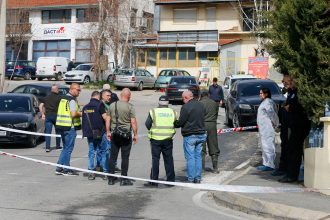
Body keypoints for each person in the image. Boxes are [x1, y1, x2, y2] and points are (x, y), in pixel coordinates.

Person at [279, 78, 311, 183]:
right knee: (293, 150)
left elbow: (300, 107)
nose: (286, 84)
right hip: (293, 125)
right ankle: (292, 174)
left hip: (300, 125)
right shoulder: (291, 92)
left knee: (294, 150)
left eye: (288, 82)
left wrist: (290, 107)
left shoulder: (299, 93)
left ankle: (292, 176)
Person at [106, 88, 138, 186]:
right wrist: (135, 134)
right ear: (129, 96)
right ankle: (124, 179)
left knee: (113, 157)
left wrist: (108, 131)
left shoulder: (112, 105)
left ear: (121, 95)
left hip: (115, 134)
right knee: (125, 157)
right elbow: (133, 122)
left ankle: (111, 178)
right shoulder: (130, 107)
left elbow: (108, 119)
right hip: (126, 135)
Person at [174, 91, 207, 183]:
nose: (182, 100)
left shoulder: (185, 107)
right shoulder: (201, 105)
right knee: (198, 157)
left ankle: (191, 178)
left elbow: (181, 122)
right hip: (201, 134)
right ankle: (198, 178)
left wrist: (174, 123)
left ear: (186, 97)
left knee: (190, 157)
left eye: (182, 98)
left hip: (190, 135)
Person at [144, 96, 177, 187]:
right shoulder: (173, 112)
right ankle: (170, 181)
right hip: (168, 139)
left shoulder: (153, 111)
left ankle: (154, 181)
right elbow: (176, 123)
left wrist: (153, 130)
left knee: (155, 160)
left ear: (159, 103)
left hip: (155, 139)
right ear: (168, 103)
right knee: (169, 159)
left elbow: (147, 124)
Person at [55, 83, 82, 176]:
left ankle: (59, 168)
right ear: (72, 89)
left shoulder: (63, 98)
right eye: (78, 90)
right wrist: (82, 113)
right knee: (68, 149)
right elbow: (73, 114)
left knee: (65, 148)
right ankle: (67, 169)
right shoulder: (71, 100)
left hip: (62, 126)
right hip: (70, 127)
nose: (79, 92)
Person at [82, 91, 107, 180]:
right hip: (100, 133)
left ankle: (91, 172)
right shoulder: (100, 105)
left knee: (91, 152)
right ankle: (105, 172)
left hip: (90, 133)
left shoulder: (85, 107)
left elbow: (84, 122)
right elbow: (105, 118)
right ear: (98, 96)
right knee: (103, 152)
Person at [272, 75, 291, 176]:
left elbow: (292, 108)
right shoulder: (288, 93)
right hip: (284, 124)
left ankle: (287, 170)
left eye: (284, 81)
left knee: (288, 148)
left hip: (290, 126)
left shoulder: (293, 93)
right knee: (284, 147)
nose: (282, 82)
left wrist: (287, 107)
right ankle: (282, 168)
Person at [256, 88, 279, 171]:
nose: (260, 95)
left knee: (268, 146)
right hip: (264, 129)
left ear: (266, 94)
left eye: (261, 93)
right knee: (264, 146)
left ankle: (270, 164)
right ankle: (266, 163)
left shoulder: (268, 102)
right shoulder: (265, 102)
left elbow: (272, 114)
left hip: (267, 128)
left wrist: (276, 124)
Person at [199, 90, 220, 173]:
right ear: (208, 95)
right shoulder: (214, 103)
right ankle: (215, 168)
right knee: (213, 145)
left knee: (201, 146)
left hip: (202, 125)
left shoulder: (199, 103)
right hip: (212, 125)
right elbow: (216, 114)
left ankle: (202, 168)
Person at [39, 84, 62, 152]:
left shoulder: (46, 98)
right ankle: (58, 146)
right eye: (58, 89)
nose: (58, 90)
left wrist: (42, 114)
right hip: (56, 116)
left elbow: (41, 105)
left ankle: (47, 147)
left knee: (48, 132)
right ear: (56, 90)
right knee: (58, 132)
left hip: (48, 117)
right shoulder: (59, 98)